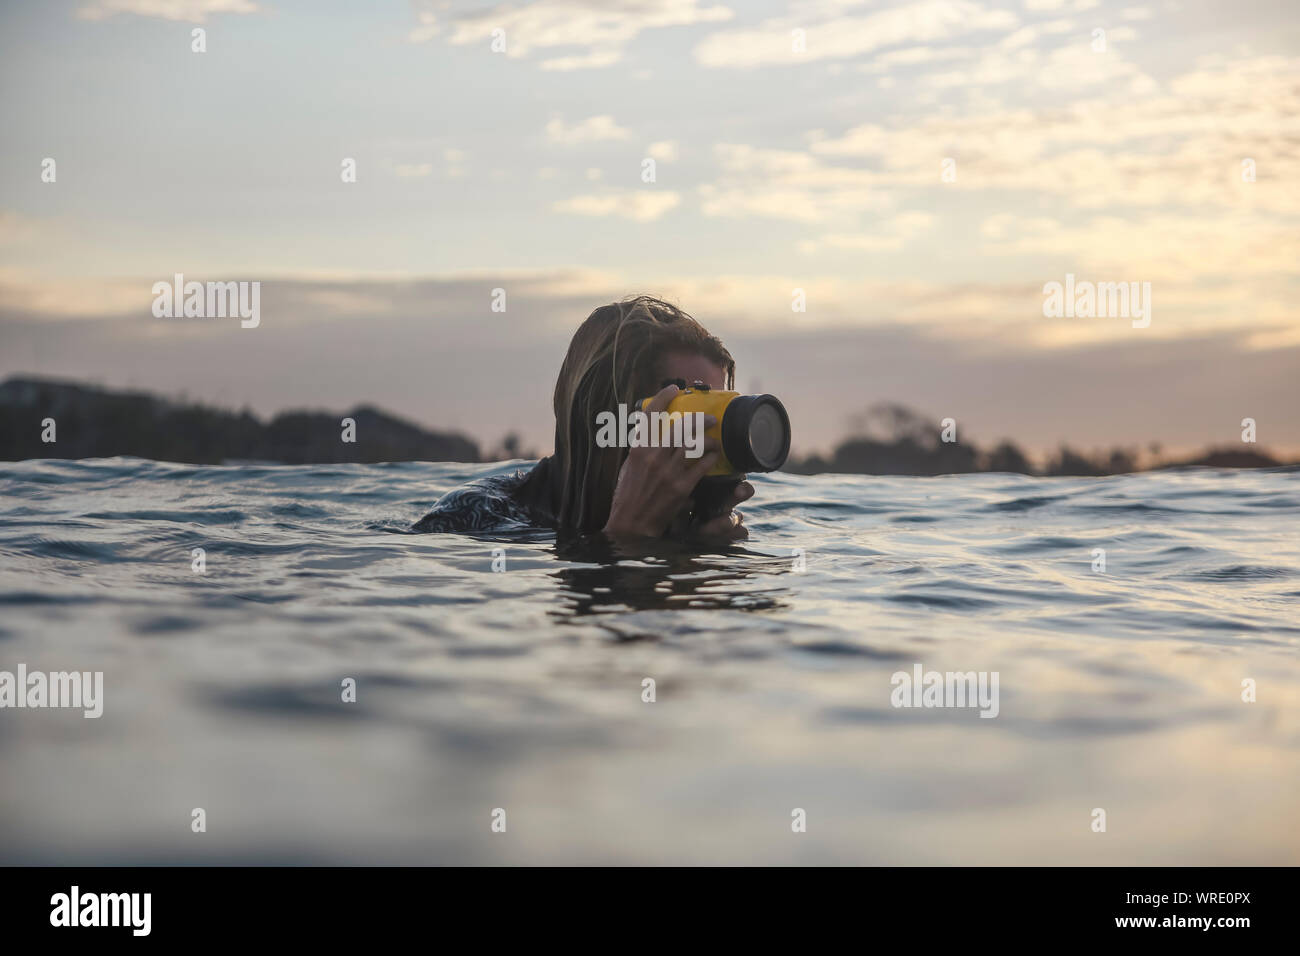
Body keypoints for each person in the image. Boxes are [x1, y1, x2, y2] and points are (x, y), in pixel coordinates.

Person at [412, 295, 753, 541]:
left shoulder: (693, 525)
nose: (705, 441)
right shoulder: (471, 519)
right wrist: (629, 537)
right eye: (689, 415)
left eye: (716, 413)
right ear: (605, 419)